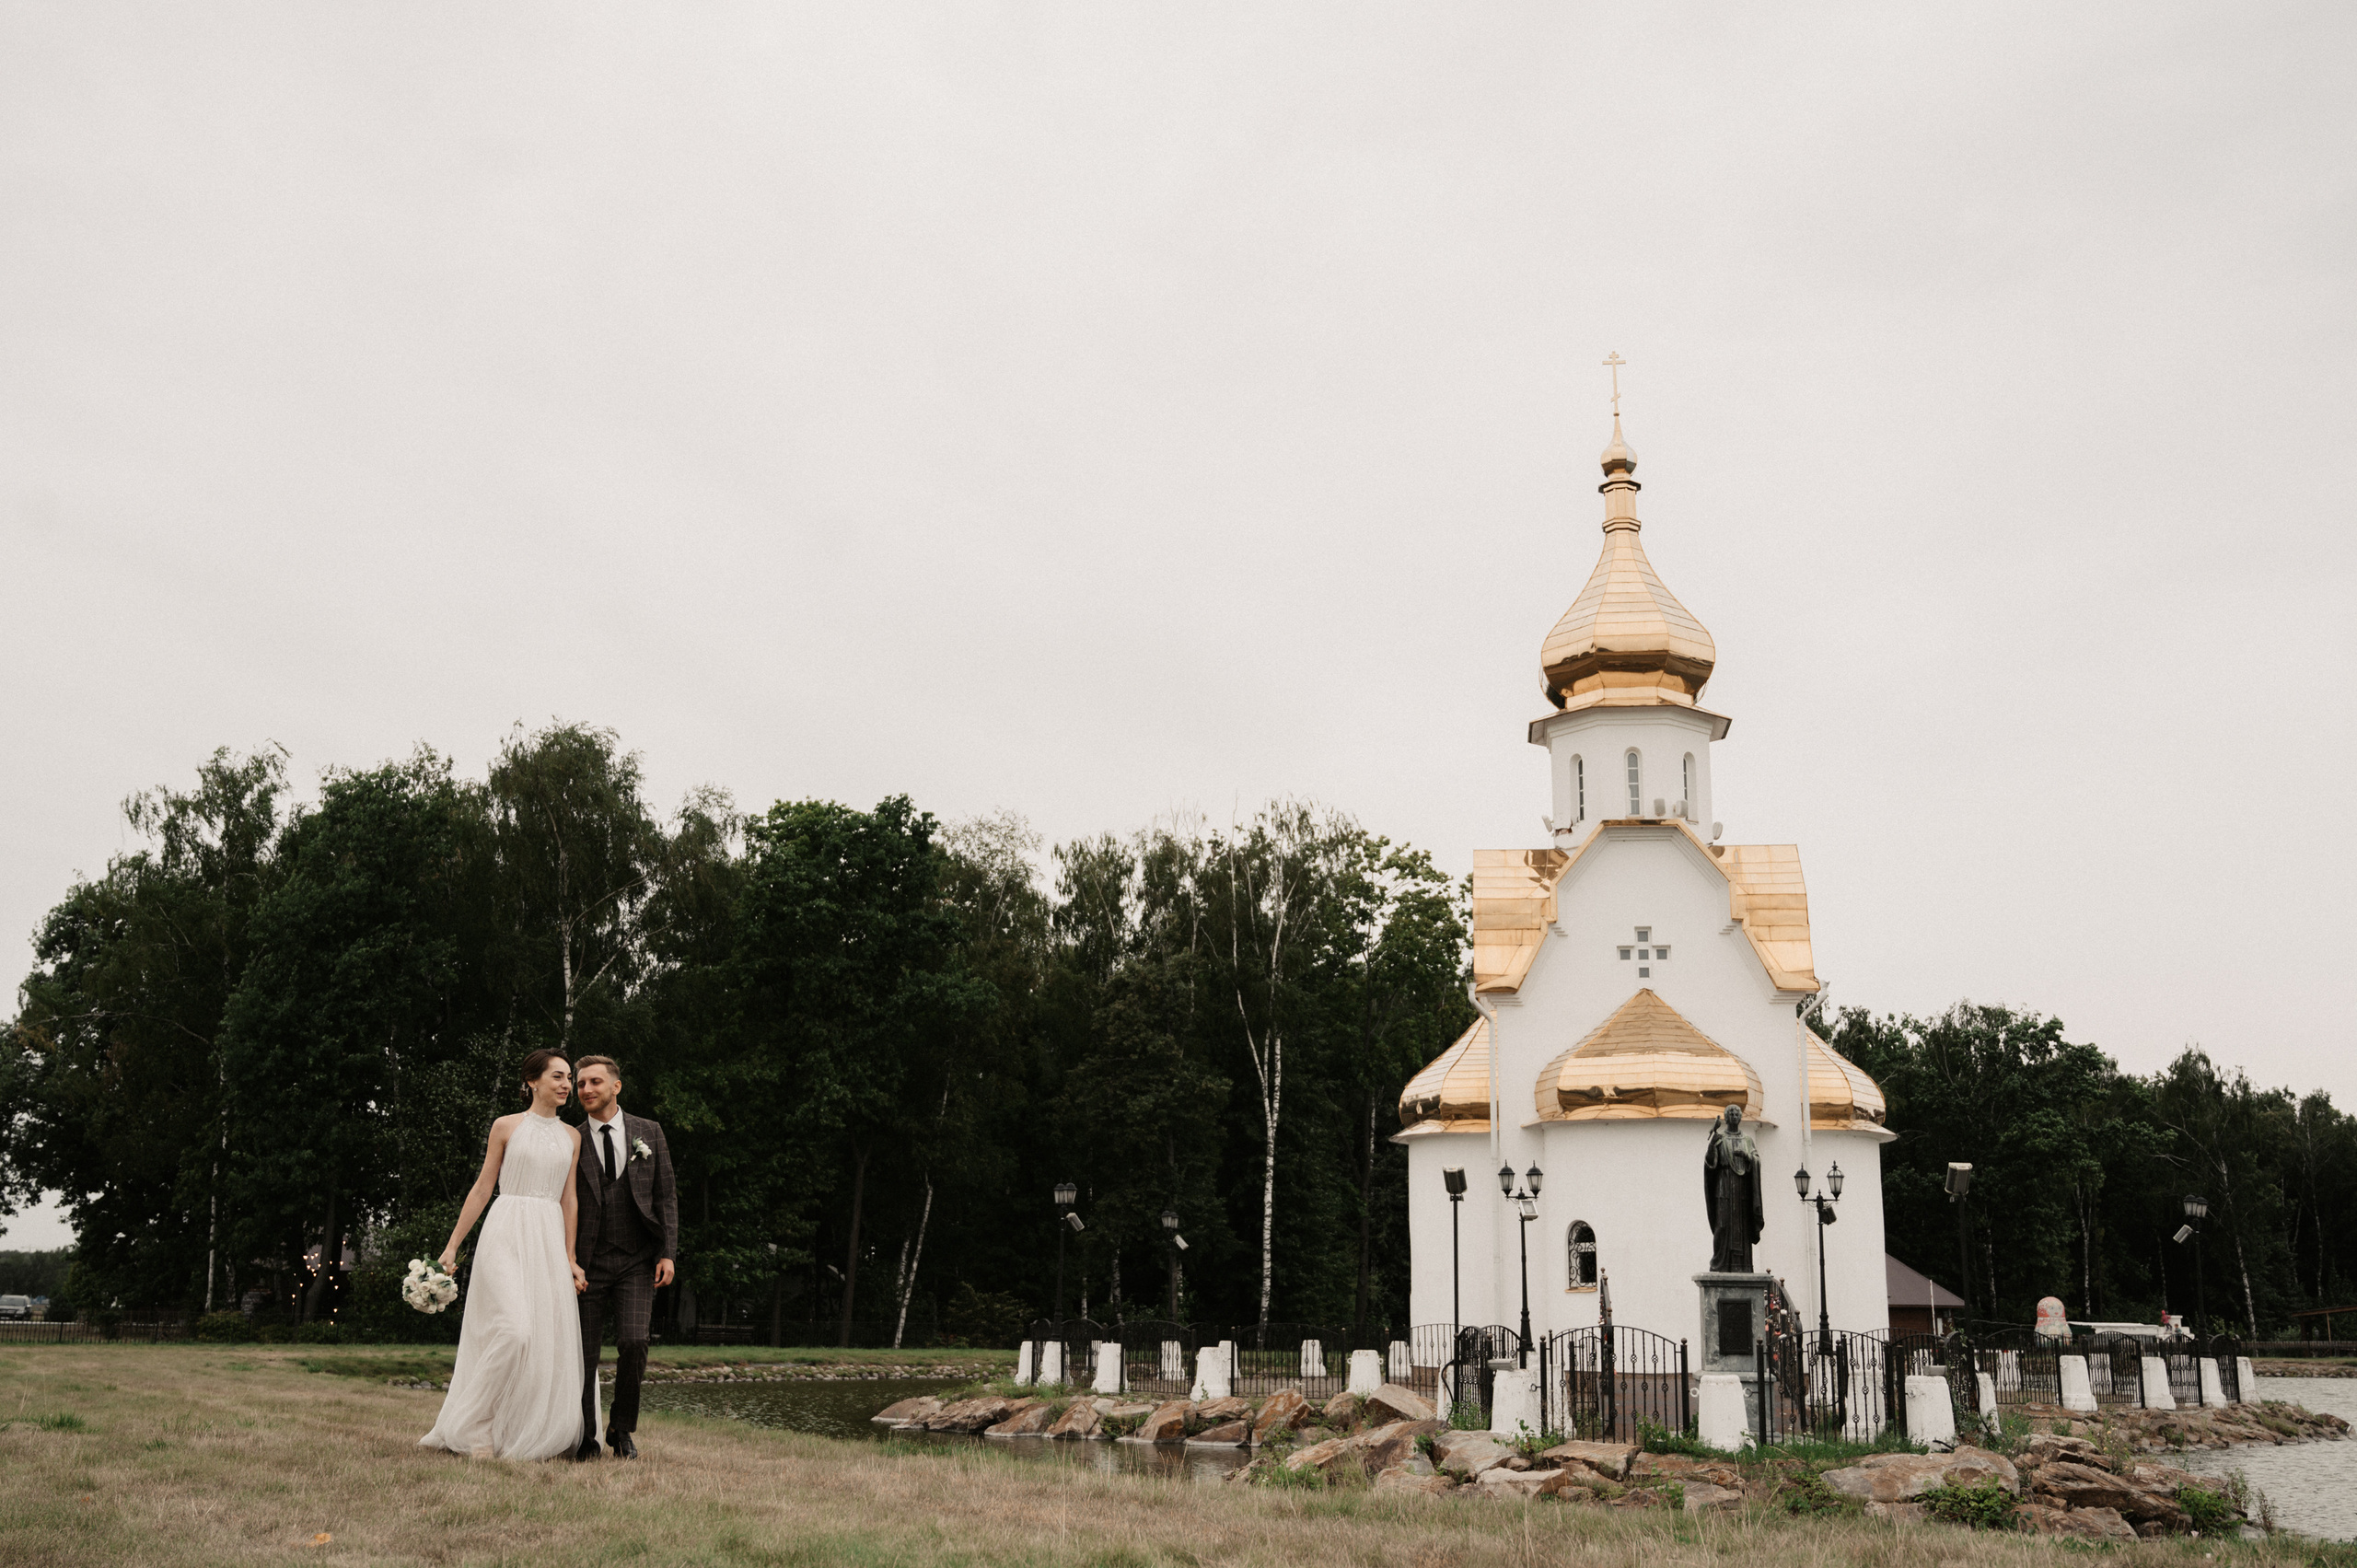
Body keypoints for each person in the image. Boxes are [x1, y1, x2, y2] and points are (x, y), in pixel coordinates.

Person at [419, 1050, 589, 1460]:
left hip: (548, 1239)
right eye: (558, 1076)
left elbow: (570, 1198)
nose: (567, 1084)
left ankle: (509, 1428)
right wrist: (452, 1245)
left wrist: (570, 1256)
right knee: (514, 1331)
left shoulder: (572, 1137)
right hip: (506, 1230)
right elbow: (482, 1188)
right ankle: (473, 1427)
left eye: (570, 1077)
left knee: (541, 1340)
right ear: (532, 1081)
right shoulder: (506, 1126)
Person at [571, 1055, 678, 1460]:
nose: (586, 1090)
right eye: (581, 1084)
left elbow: (666, 1196)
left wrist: (667, 1252)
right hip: (588, 1263)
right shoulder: (573, 1137)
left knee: (635, 1342)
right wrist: (569, 1259)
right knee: (583, 1353)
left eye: (595, 1082)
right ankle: (585, 1435)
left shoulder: (649, 1132)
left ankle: (621, 1427)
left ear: (616, 1086)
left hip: (637, 1260)